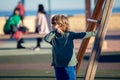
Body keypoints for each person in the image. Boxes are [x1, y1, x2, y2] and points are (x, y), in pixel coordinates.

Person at [44, 14, 97, 80]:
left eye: (54, 23)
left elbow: (81, 35)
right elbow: (46, 39)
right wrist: (54, 31)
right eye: (52, 23)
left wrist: (94, 33)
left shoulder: (69, 35)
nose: (52, 25)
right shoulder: (53, 36)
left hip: (69, 64)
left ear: (60, 24)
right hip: (58, 64)